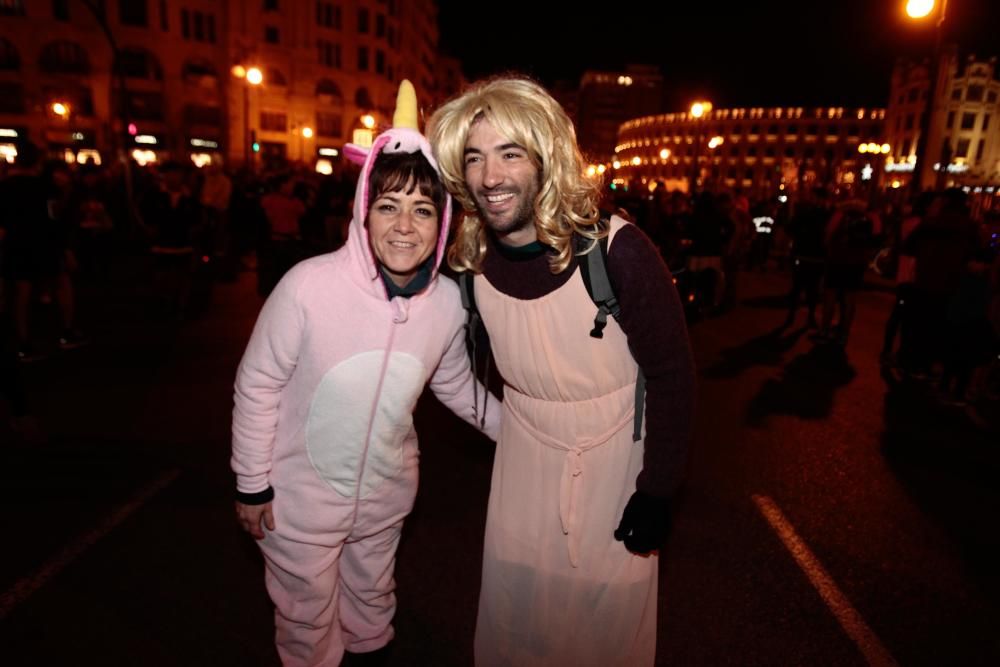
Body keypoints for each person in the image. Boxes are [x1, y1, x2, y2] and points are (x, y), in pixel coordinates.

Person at [428, 76, 695, 666]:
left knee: (604, 636)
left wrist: (657, 492)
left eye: (509, 153)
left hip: (615, 471)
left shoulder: (618, 252)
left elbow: (674, 379)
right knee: (515, 626)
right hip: (522, 471)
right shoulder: (470, 261)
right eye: (474, 158)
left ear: (546, 159)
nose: (489, 176)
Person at [231, 81, 500, 666]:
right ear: (362, 210)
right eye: (388, 205)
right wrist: (252, 482)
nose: (405, 225)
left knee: (373, 602)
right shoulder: (308, 285)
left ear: (444, 222)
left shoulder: (446, 303)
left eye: (423, 210)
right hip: (297, 506)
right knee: (306, 617)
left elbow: (453, 382)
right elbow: (258, 385)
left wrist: (521, 429)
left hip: (384, 500)